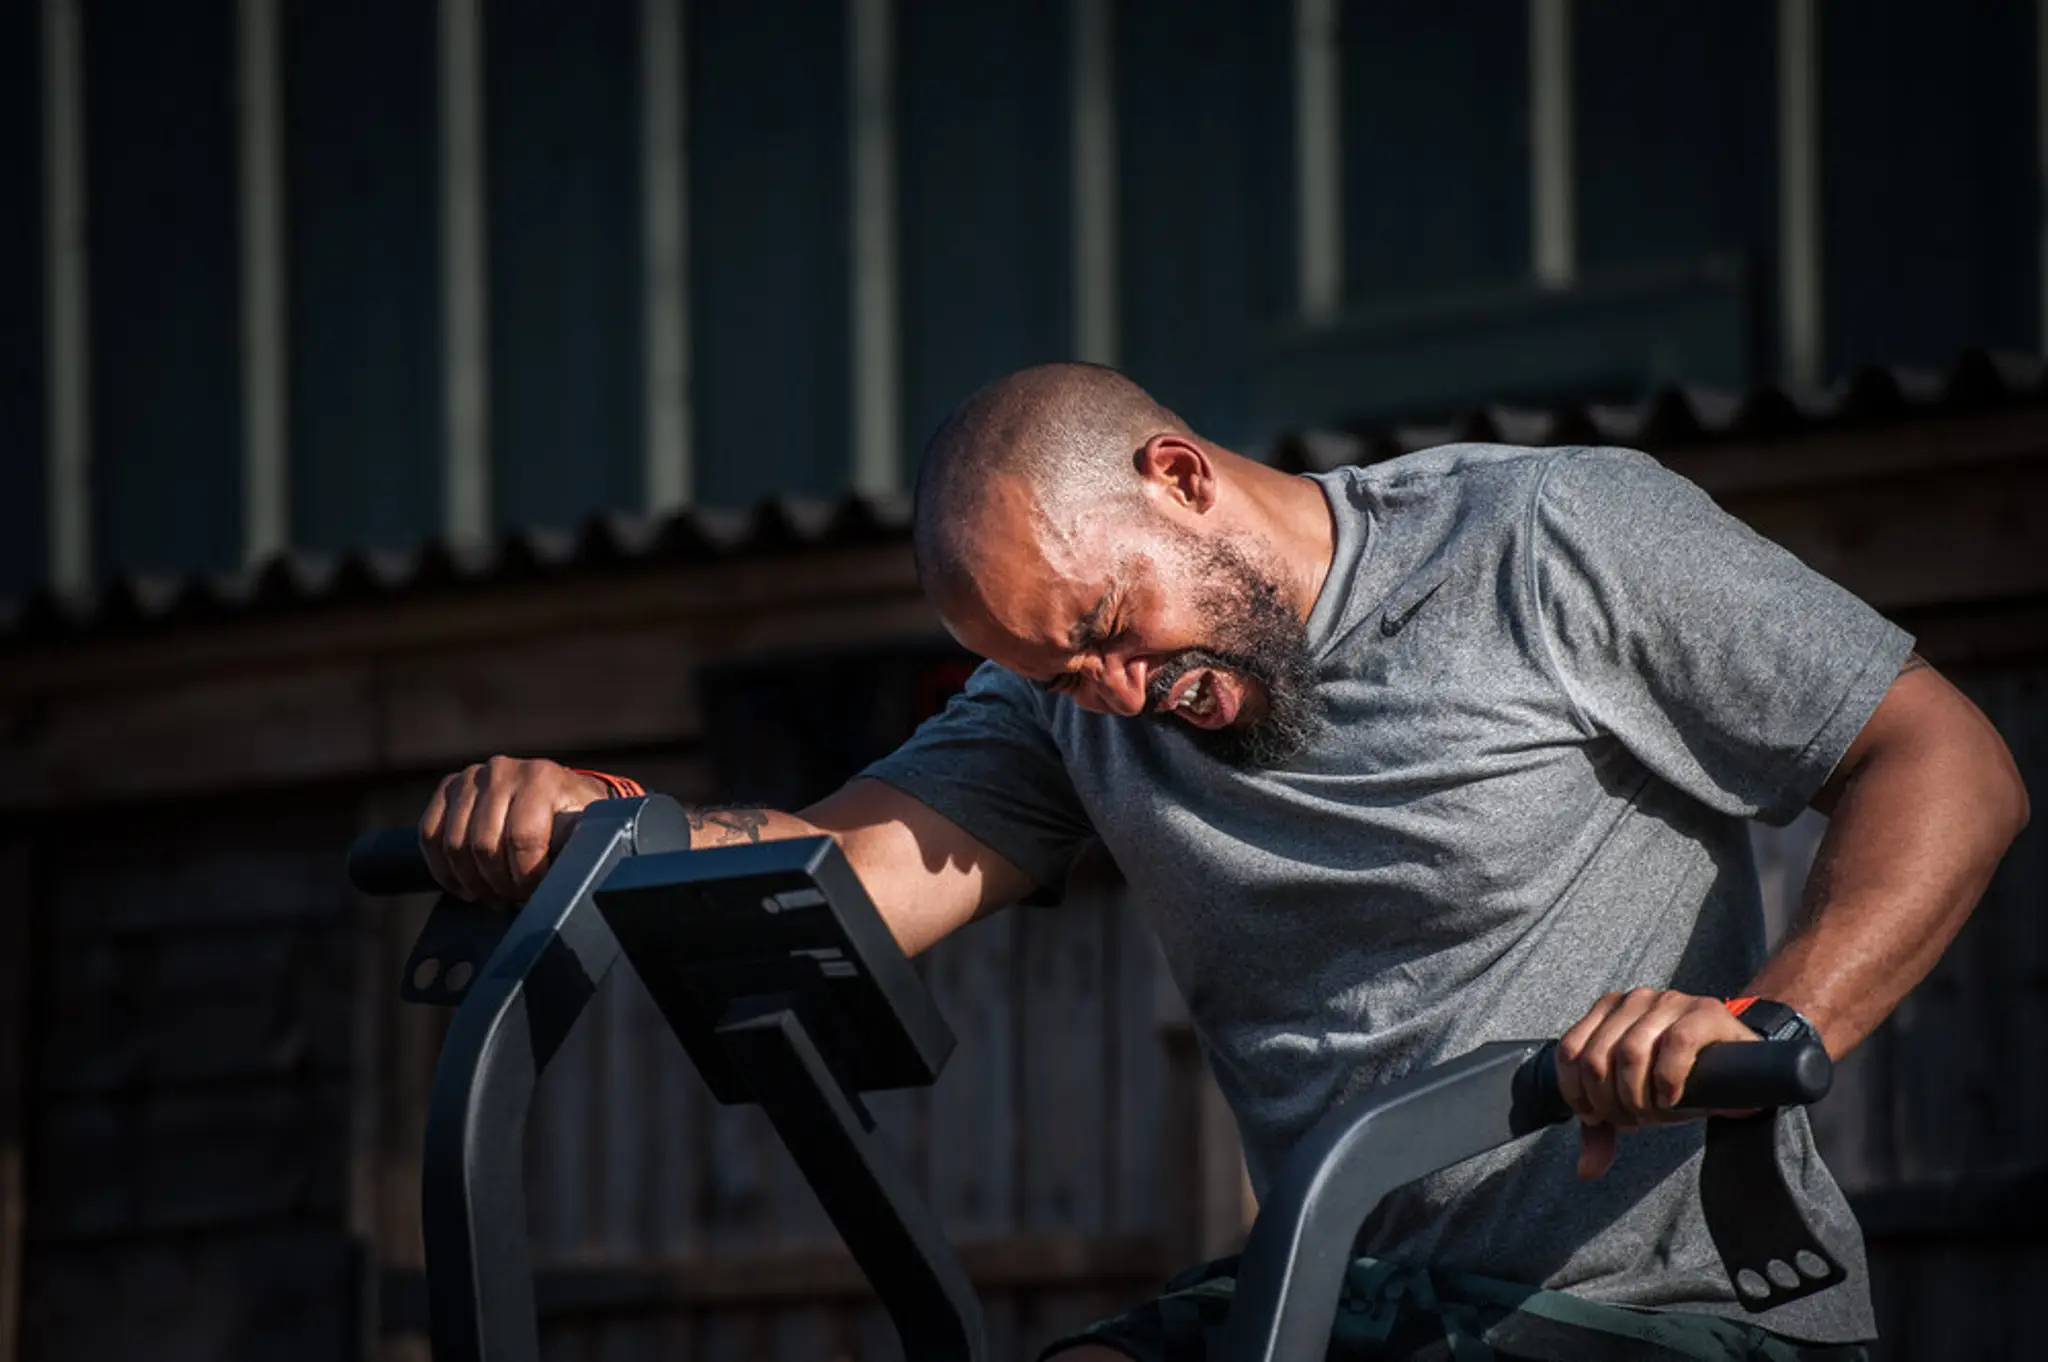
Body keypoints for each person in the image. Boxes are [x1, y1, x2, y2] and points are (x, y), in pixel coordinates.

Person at [417, 364, 2028, 1361]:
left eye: (1112, 632)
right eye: (1060, 677)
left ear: (1180, 477)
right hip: (1341, 1297)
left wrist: (1768, 1019)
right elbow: (851, 869)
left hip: (1661, 1315)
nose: (1117, 698)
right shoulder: (1067, 706)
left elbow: (1945, 756)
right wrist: (601, 826)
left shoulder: (1549, 541)